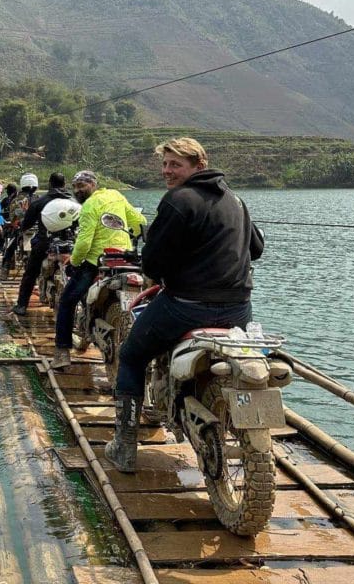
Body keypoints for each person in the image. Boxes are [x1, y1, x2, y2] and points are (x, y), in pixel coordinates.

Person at [104, 138, 264, 473]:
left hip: (187, 306)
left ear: (198, 166)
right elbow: (257, 248)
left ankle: (124, 447)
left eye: (175, 164)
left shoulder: (179, 200)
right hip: (238, 309)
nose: (167, 171)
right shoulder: (235, 200)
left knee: (132, 355)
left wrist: (160, 267)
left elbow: (153, 263)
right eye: (164, 164)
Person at [51, 170, 145, 370]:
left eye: (82, 185)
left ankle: (61, 352)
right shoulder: (116, 196)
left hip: (97, 262)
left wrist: (74, 262)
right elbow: (139, 222)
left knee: (67, 301)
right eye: (76, 187)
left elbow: (84, 243)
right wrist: (131, 237)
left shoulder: (88, 207)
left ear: (93, 184)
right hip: (125, 258)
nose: (79, 190)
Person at [11, 172, 72, 315]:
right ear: (64, 184)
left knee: (30, 273)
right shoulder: (74, 201)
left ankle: (21, 305)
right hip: (70, 243)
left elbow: (26, 224)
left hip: (46, 242)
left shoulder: (40, 201)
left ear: (50, 184)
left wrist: (22, 228)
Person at [2, 173, 38, 271]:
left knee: (10, 247)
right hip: (38, 230)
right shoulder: (39, 199)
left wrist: (14, 224)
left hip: (21, 229)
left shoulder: (16, 200)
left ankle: (5, 268)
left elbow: (14, 218)